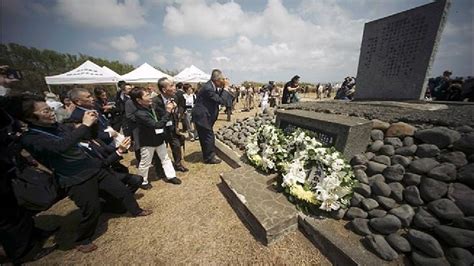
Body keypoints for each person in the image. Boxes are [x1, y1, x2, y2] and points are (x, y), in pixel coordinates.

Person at [19, 96, 151, 253]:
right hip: (74, 178)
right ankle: (83, 239)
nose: (52, 112)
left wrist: (92, 124)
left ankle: (136, 211)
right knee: (91, 209)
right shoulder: (30, 138)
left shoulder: (58, 127)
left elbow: (87, 136)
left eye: (50, 108)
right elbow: (60, 146)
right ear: (29, 117)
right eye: (45, 110)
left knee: (121, 190)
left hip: (94, 168)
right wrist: (84, 125)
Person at [0, 67, 57, 263]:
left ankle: (33, 233)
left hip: (9, 162)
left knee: (18, 207)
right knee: (7, 215)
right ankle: (22, 252)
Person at [130, 87, 182, 189]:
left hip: (159, 138)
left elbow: (161, 116)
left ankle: (171, 176)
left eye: (149, 94)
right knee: (145, 163)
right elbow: (157, 125)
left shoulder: (151, 107)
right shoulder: (140, 114)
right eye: (146, 95)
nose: (150, 97)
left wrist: (171, 109)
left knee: (165, 158)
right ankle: (143, 181)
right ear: (139, 100)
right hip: (148, 142)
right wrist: (168, 111)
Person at [192, 69, 229, 164]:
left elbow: (217, 96)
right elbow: (221, 100)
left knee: (205, 136)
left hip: (205, 115)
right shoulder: (208, 88)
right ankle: (209, 158)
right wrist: (226, 88)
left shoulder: (211, 86)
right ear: (217, 80)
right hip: (202, 116)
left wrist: (223, 88)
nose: (223, 81)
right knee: (208, 136)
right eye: (222, 80)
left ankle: (207, 154)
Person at [153, 78, 188, 173]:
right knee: (159, 150)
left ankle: (178, 164)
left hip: (172, 128)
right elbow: (155, 119)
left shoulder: (174, 98)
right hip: (160, 130)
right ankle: (159, 169)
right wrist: (167, 111)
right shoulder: (155, 102)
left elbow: (177, 111)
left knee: (176, 146)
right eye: (171, 85)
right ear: (164, 89)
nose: (174, 88)